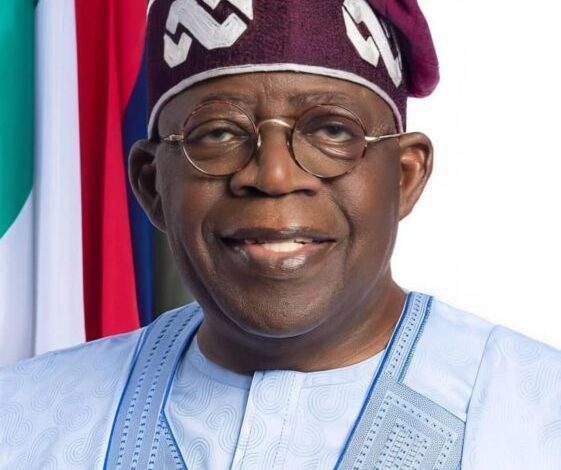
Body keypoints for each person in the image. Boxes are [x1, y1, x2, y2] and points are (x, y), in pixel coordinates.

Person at [1, 0, 561, 468]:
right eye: (218, 133)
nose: (273, 176)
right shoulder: (22, 419)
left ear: (405, 177)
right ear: (151, 185)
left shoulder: (539, 420)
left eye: (332, 130)